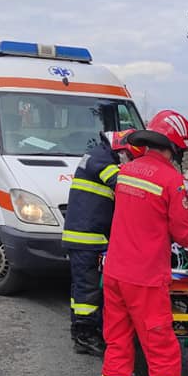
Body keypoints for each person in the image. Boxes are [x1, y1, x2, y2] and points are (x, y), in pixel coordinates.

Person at [100, 110, 188, 376]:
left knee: (117, 342)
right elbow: (181, 229)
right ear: (174, 146)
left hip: (115, 271)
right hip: (145, 277)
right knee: (160, 344)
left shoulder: (126, 170)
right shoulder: (171, 180)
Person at [61, 129, 140, 356]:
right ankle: (85, 336)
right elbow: (122, 184)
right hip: (87, 238)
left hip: (87, 237)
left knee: (84, 289)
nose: (129, 160)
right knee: (88, 291)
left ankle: (84, 331)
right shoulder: (101, 159)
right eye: (129, 156)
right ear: (121, 149)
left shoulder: (100, 155)